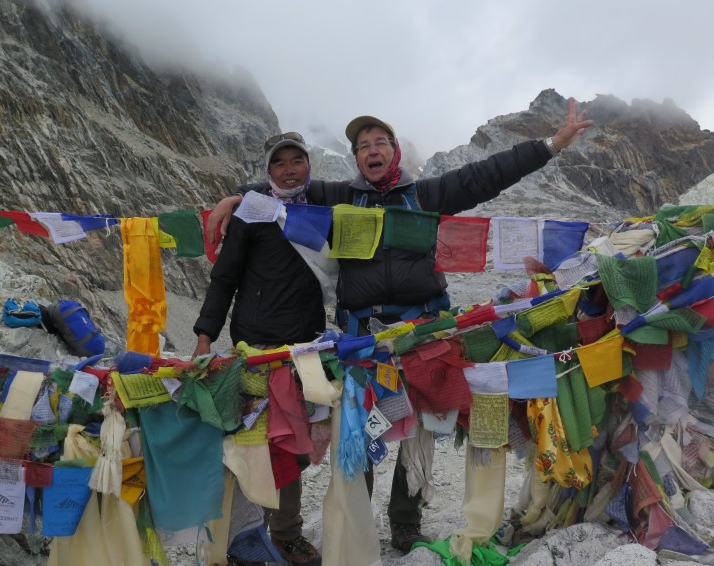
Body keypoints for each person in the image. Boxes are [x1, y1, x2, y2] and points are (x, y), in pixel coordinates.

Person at [206, 99, 593, 554]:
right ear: (355, 159)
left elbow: (487, 175)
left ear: (395, 151)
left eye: (379, 142)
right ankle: (355, 521)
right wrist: (238, 197)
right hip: (360, 336)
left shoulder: (426, 195)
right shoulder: (340, 197)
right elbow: (288, 185)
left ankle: (406, 522)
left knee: (419, 431)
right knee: (360, 425)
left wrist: (552, 144)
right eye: (363, 145)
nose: (372, 150)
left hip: (421, 333)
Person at [192, 132, 324, 566]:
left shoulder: (320, 206)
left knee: (293, 446)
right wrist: (204, 334)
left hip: (304, 350)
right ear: (268, 171)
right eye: (280, 162)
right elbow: (225, 277)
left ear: (309, 164)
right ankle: (244, 538)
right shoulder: (252, 211)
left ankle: (285, 533)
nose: (289, 169)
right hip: (258, 348)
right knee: (253, 445)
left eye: (297, 160)